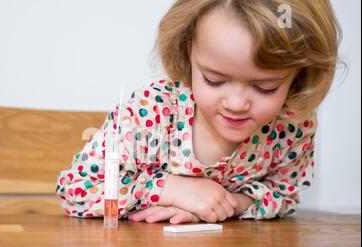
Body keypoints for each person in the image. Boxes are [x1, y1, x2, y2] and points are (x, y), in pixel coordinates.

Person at [56, 0, 343, 224]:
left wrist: (223, 204)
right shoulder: (152, 112)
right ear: (188, 49)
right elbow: (77, 189)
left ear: (300, 75)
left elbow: (284, 194)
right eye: (214, 80)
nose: (236, 103)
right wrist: (172, 189)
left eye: (265, 87)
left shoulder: (291, 126)